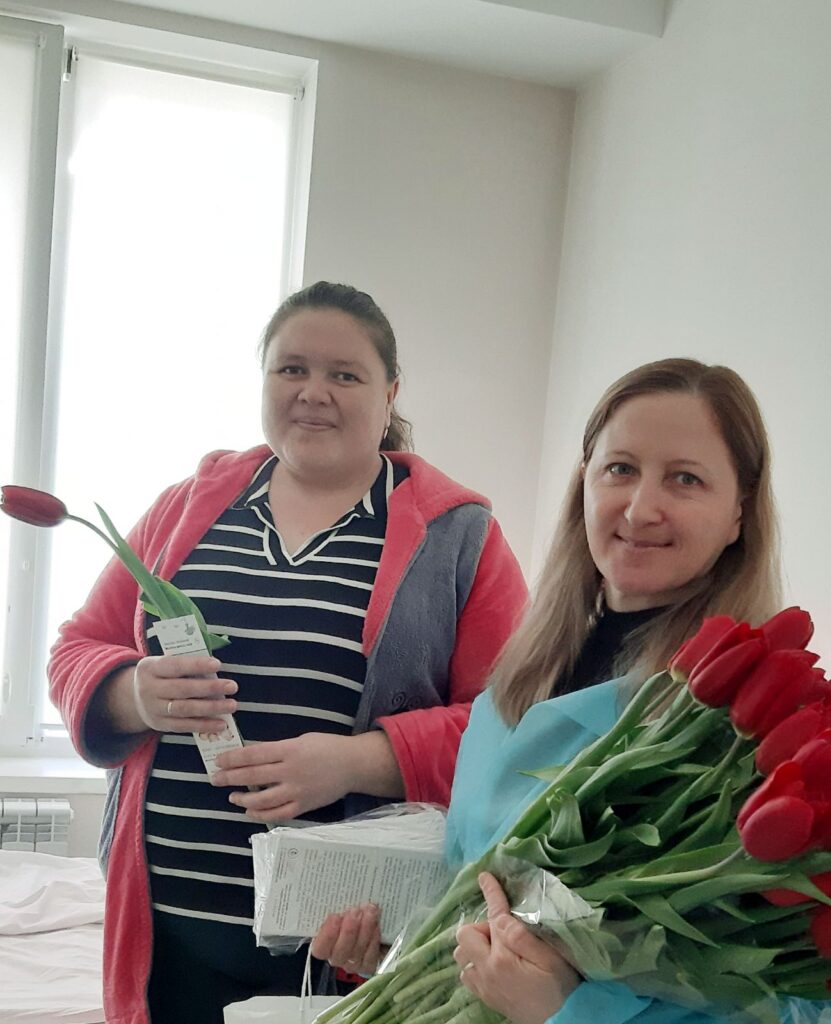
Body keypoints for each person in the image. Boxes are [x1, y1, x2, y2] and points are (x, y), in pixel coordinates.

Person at [316, 358, 831, 1024]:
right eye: (620, 469)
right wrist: (402, 951)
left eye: (685, 479)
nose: (640, 508)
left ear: (739, 512)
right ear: (584, 483)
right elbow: (480, 896)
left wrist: (571, 1010)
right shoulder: (521, 680)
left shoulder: (753, 732)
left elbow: (809, 1008)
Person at [48, 281, 528, 1024]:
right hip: (165, 936)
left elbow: (516, 725)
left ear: (390, 392)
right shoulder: (184, 510)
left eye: (345, 374)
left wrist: (358, 761)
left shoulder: (460, 537)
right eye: (291, 369)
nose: (313, 393)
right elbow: (76, 649)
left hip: (346, 948)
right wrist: (133, 692)